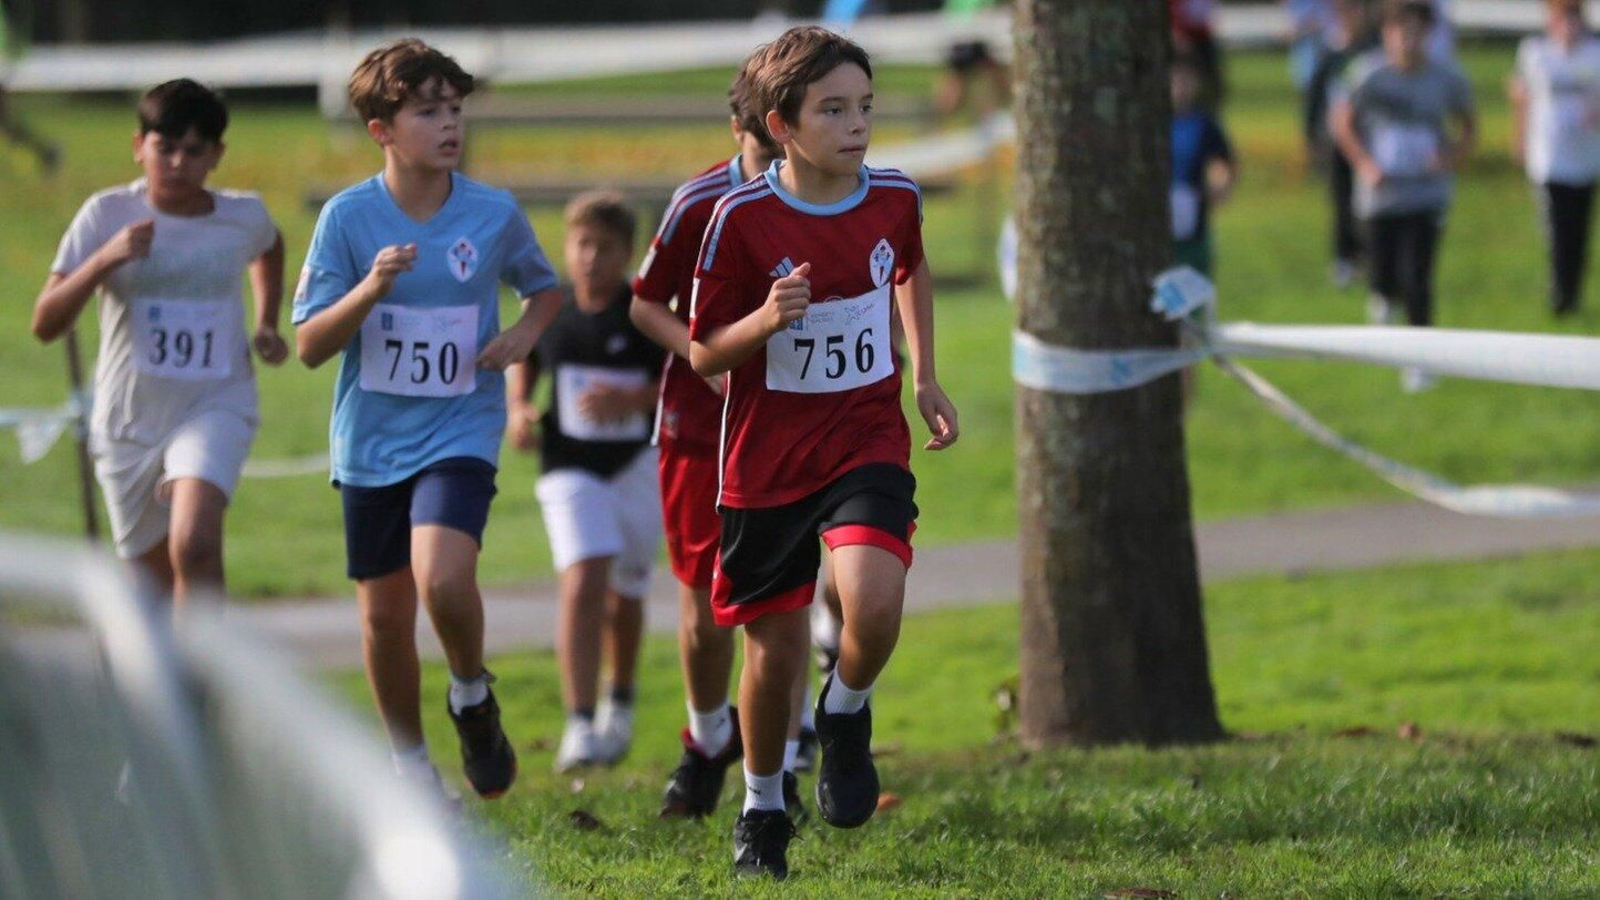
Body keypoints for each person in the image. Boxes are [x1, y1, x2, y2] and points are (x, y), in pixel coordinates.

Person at [688, 26, 959, 879]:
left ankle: (845, 711)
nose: (857, 125)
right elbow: (704, 354)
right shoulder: (738, 220)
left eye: (865, 107)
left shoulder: (894, 199)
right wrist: (766, 320)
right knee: (771, 653)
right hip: (767, 460)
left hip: (865, 438)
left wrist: (922, 375)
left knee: (871, 602)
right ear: (782, 123)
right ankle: (763, 808)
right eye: (833, 109)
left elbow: (909, 268)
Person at [292, 39, 563, 801]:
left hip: (459, 429)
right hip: (372, 440)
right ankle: (409, 764)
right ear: (381, 128)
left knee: (443, 578)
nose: (449, 125)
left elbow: (545, 291)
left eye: (455, 109)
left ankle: (472, 692)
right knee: (383, 618)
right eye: (428, 111)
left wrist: (521, 336)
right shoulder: (349, 220)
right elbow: (311, 345)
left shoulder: (492, 213)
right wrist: (369, 291)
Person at [629, 66, 815, 820]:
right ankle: (709, 740)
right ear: (744, 130)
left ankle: (781, 764)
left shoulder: (826, 193)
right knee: (708, 610)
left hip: (790, 427)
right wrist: (704, 358)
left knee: (782, 607)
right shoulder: (699, 201)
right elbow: (644, 306)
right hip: (701, 431)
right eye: (765, 143)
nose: (780, 159)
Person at [32, 78, 285, 607]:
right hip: (129, 418)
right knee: (149, 590)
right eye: (164, 147)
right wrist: (106, 259)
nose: (176, 163)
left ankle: (205, 683)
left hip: (216, 401)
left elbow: (270, 245)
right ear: (138, 146)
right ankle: (163, 684)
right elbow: (46, 323)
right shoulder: (106, 215)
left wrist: (265, 321)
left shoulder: (242, 216)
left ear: (216, 155)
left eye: (193, 151)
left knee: (194, 544)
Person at [506, 191, 663, 772]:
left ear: (628, 253)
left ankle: (617, 704)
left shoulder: (645, 314)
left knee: (626, 589)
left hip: (635, 464)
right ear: (567, 248)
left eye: (605, 246)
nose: (591, 257)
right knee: (583, 576)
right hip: (568, 465)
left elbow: (686, 375)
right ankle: (577, 723)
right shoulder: (553, 313)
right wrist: (519, 408)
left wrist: (632, 398)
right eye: (581, 244)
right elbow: (525, 358)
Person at [1332, 0, 1475, 392]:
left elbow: (1468, 126)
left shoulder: (1447, 78)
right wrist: (1364, 164)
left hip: (1426, 194)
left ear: (1428, 34)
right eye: (1401, 30)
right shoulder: (1367, 75)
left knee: (1418, 276)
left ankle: (1421, 363)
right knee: (1382, 276)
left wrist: (1448, 157)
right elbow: (1341, 122)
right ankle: (1381, 296)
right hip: (1380, 195)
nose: (1408, 39)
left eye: (1417, 30)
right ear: (1386, 33)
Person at [1510, 0, 1600, 315]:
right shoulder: (1536, 53)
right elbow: (1520, 95)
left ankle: (1573, 291)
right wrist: (1519, 138)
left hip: (1587, 157)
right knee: (1558, 229)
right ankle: (1560, 295)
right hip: (1549, 156)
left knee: (1579, 229)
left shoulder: (1595, 54)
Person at [1306, 0, 1380, 288]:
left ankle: (1371, 255)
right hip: (1335, 139)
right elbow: (1314, 97)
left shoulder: (1373, 50)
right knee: (1340, 200)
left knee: (1370, 203)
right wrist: (1313, 134)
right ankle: (1344, 258)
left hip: (1368, 138)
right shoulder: (1330, 53)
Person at [1171, 54, 1238, 279]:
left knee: (1193, 273)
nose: (1181, 87)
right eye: (1176, 79)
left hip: (1192, 211)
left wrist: (1220, 187)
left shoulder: (1202, 122)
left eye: (1186, 80)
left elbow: (1222, 160)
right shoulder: (1152, 119)